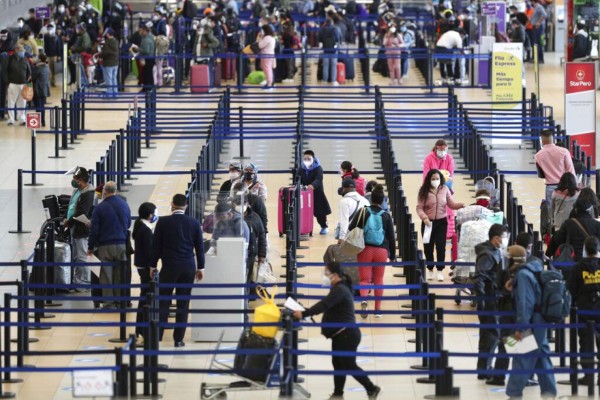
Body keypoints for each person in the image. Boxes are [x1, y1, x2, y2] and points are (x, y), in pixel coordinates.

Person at [292, 262, 382, 399]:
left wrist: (304, 313)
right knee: (338, 364)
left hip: (347, 334)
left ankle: (372, 388)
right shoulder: (339, 288)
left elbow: (324, 304)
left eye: (327, 273)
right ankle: (338, 393)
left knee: (348, 364)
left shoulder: (340, 290)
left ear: (334, 275)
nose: (325, 276)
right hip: (340, 334)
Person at [152, 194, 204, 347]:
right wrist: (200, 267)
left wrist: (152, 265)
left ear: (172, 204)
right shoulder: (194, 223)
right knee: (183, 302)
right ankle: (178, 339)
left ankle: (158, 336)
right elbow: (199, 248)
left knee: (163, 302)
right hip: (188, 267)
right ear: (186, 206)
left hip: (169, 267)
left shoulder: (163, 222)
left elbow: (156, 247)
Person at [505, 248, 557, 398]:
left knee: (520, 357)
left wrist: (521, 328)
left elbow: (525, 304)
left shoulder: (522, 275)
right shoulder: (532, 269)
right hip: (540, 320)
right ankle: (549, 393)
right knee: (542, 357)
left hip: (530, 322)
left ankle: (514, 394)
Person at [349, 184, 395, 319]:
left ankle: (364, 299)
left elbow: (352, 227)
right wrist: (392, 255)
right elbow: (391, 237)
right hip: (381, 250)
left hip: (365, 249)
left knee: (364, 279)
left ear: (370, 199)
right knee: (379, 280)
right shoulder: (386, 215)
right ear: (382, 201)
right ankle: (378, 310)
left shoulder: (364, 211)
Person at [473, 224, 509, 382]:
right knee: (492, 336)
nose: (505, 240)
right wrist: (483, 300)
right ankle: (485, 369)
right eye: (504, 237)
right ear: (496, 238)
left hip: (492, 297)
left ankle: (484, 368)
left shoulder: (493, 251)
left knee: (489, 335)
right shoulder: (488, 255)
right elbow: (479, 277)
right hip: (489, 300)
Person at [87, 181, 132, 309]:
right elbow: (128, 224)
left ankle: (109, 303)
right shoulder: (124, 204)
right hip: (122, 244)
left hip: (105, 246)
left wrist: (90, 247)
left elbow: (94, 230)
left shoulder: (99, 208)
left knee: (106, 276)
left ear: (104, 192)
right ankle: (120, 301)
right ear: (116, 191)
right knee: (119, 275)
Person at [416, 169, 464, 281]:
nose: (435, 181)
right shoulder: (424, 191)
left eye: (437, 178)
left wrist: (461, 205)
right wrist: (425, 218)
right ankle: (430, 269)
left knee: (441, 247)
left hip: (442, 222)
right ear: (429, 179)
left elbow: (451, 204)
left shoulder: (445, 189)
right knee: (428, 247)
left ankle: (440, 270)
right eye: (433, 179)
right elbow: (419, 208)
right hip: (428, 223)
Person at [568, 236, 600, 385]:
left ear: (586, 250)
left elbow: (572, 289)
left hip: (584, 309)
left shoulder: (578, 267)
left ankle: (588, 375)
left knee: (585, 342)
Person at [131, 202, 158, 344]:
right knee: (145, 299)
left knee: (145, 298)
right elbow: (149, 252)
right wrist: (153, 266)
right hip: (145, 267)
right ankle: (141, 330)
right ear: (149, 214)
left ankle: (140, 330)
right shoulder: (145, 230)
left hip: (142, 265)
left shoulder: (142, 226)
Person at [64, 167, 95, 290]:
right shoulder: (77, 191)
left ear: (81, 180)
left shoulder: (88, 193)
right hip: (74, 227)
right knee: (76, 256)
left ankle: (84, 282)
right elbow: (72, 206)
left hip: (81, 229)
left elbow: (82, 212)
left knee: (82, 257)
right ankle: (77, 280)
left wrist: (69, 221)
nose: (73, 181)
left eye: (75, 179)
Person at [546, 196, 600, 262]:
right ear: (589, 210)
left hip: (572, 260)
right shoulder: (596, 224)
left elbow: (558, 240)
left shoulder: (568, 223)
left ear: (576, 209)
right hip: (592, 260)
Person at [534, 129, 576, 207]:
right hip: (565, 186)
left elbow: (541, 175)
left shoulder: (537, 156)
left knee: (551, 214)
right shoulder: (564, 151)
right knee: (566, 211)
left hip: (550, 188)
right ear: (553, 139)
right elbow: (571, 171)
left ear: (541, 141)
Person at [232, 195, 266, 286]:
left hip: (250, 255)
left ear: (247, 204)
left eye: (243, 203)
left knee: (249, 279)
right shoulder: (231, 217)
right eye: (238, 203)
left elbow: (262, 236)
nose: (241, 205)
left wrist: (262, 255)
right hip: (234, 256)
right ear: (233, 204)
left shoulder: (255, 217)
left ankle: (247, 297)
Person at [299, 150, 331, 234]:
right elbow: (297, 178)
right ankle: (304, 227)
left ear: (313, 158)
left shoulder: (318, 168)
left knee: (320, 212)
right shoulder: (301, 168)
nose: (306, 161)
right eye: (305, 159)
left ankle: (324, 226)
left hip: (317, 193)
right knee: (304, 211)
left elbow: (319, 179)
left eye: (308, 159)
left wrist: (313, 185)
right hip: (304, 194)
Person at [337, 178, 370, 243]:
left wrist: (341, 237)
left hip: (350, 237)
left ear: (345, 188)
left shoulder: (344, 201)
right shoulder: (365, 201)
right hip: (363, 237)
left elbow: (344, 220)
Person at [319, 16, 342, 85]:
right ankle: (333, 80)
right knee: (333, 65)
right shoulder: (335, 29)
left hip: (325, 49)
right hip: (333, 49)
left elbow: (320, 38)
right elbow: (337, 38)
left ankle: (324, 80)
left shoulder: (322, 29)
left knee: (325, 65)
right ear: (332, 23)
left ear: (326, 23)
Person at [31, 53, 50, 127]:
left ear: (39, 59)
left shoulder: (38, 68)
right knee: (42, 106)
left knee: (38, 106)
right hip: (44, 89)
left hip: (37, 89)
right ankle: (43, 121)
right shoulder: (46, 67)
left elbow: (32, 77)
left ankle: (38, 121)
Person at [100, 28, 119, 97]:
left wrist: (100, 55)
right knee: (114, 78)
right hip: (115, 62)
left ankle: (109, 94)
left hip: (108, 63)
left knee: (108, 79)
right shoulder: (116, 41)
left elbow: (105, 53)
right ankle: (115, 93)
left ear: (108, 34)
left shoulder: (107, 42)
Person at [257, 24, 276, 89]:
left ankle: (269, 84)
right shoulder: (271, 37)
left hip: (266, 55)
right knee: (268, 69)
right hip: (269, 55)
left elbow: (260, 45)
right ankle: (269, 83)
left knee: (267, 69)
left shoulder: (267, 38)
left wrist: (260, 37)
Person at [139, 22, 156, 91]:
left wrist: (139, 49)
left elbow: (146, 51)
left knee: (147, 74)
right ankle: (149, 87)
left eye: (142, 31)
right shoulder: (150, 37)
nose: (141, 32)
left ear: (145, 31)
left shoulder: (146, 39)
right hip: (151, 58)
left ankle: (147, 88)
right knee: (148, 73)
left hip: (148, 59)